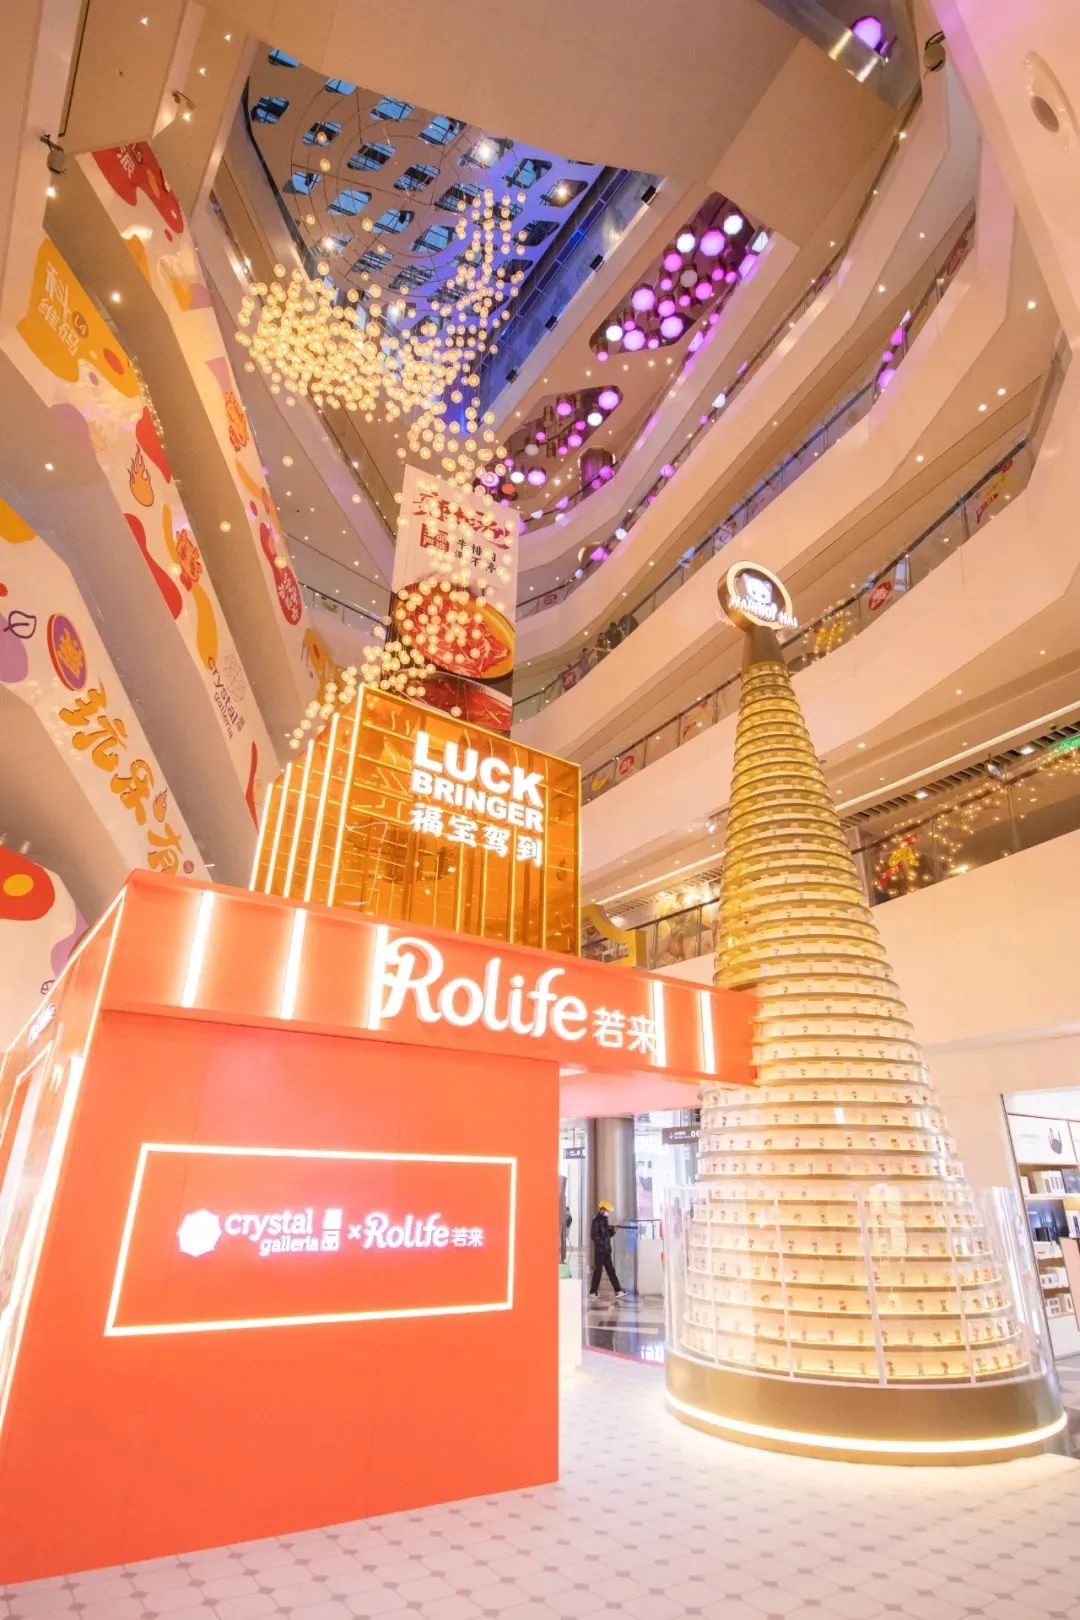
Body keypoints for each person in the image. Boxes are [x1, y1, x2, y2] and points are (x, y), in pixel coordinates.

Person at [589, 1200, 626, 1299]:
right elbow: (594, 1235)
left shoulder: (605, 1220)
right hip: (600, 1251)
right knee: (598, 1272)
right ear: (601, 1209)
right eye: (607, 1210)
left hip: (606, 1251)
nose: (608, 1212)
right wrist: (602, 1245)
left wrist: (613, 1230)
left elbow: (607, 1235)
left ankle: (618, 1291)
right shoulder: (596, 1220)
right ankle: (593, 1292)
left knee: (611, 1271)